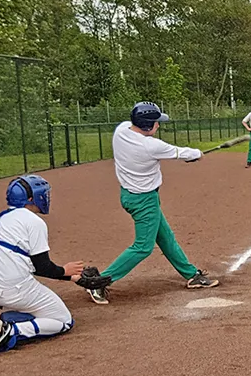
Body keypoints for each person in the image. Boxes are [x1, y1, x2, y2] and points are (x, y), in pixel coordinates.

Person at [89, 102, 219, 304]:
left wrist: (190, 155)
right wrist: (197, 154)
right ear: (148, 126)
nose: (158, 125)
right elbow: (181, 152)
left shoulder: (121, 130)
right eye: (156, 122)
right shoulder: (150, 146)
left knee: (166, 237)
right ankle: (99, 282)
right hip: (144, 200)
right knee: (143, 247)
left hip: (131, 195)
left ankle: (191, 274)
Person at [0, 175, 86, 354]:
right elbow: (42, 267)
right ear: (31, 199)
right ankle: (12, 330)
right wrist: (65, 271)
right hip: (13, 289)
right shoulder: (34, 222)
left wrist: (70, 276)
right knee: (63, 321)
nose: (46, 197)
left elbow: (24, 263)